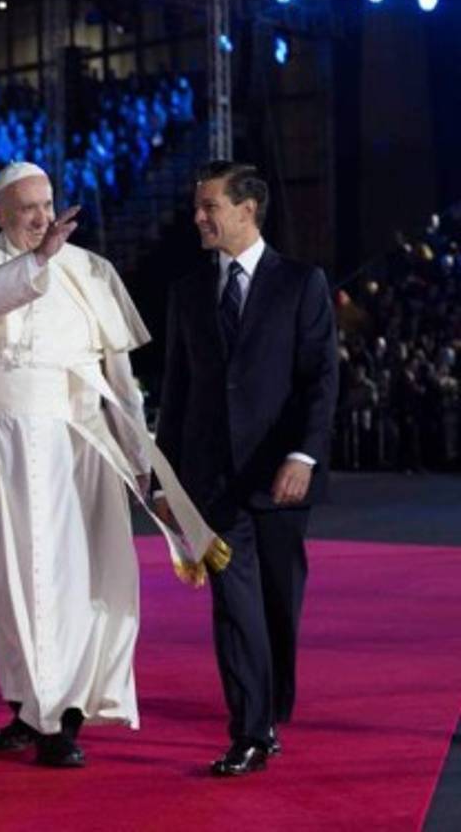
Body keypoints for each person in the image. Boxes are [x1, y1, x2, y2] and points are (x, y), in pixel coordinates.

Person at [0, 162, 220, 768]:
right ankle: (30, 707)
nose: (40, 216)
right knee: (7, 585)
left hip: (74, 447)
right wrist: (37, 261)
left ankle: (61, 719)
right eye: (26, 207)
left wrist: (140, 461)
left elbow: (118, 378)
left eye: (47, 203)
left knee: (75, 580)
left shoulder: (89, 271)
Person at [154, 161, 338, 776]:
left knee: (278, 607)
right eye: (197, 207)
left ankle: (272, 706)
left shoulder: (301, 283)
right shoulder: (185, 293)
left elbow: (320, 380)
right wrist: (165, 481)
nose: (198, 217)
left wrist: (303, 455)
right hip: (212, 485)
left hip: (282, 479)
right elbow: (177, 395)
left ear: (247, 209)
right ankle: (251, 730)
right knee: (234, 609)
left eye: (209, 206)